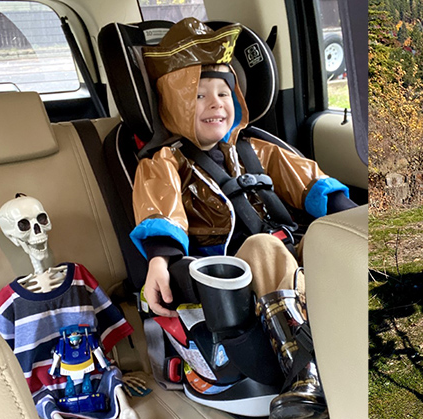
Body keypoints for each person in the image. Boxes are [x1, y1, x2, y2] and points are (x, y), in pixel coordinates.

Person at [129, 18, 353, 418]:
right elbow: (160, 210)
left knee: (330, 240)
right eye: (198, 96)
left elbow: (311, 182)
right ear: (175, 103)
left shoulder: (257, 150)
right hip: (223, 267)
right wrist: (160, 260)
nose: (216, 103)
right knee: (264, 246)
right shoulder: (165, 161)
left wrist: (349, 220)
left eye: (223, 91)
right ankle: (304, 368)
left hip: (284, 250)